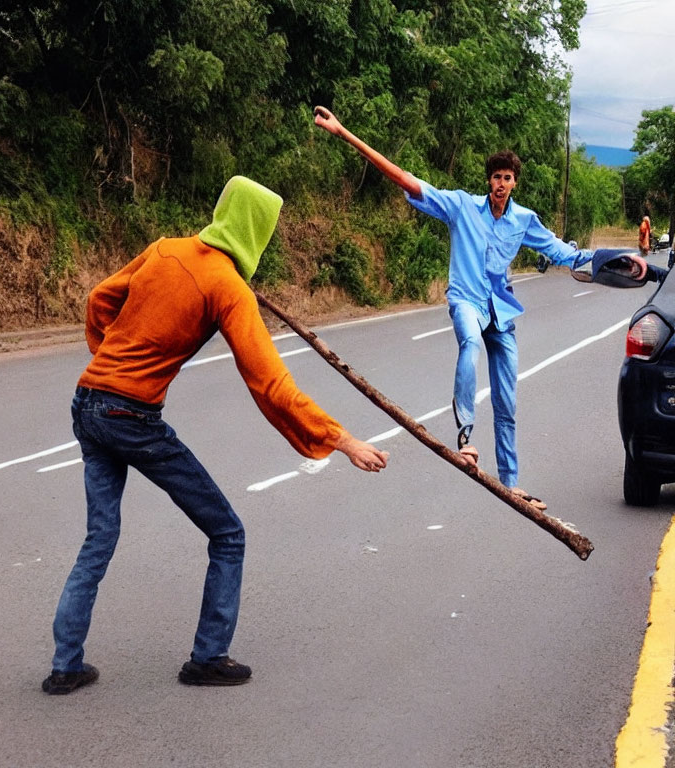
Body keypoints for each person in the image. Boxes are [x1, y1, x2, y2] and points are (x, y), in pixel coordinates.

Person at [41, 175, 389, 695]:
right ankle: (207, 657)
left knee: (99, 538)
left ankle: (65, 667)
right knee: (228, 534)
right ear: (256, 231)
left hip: (89, 402)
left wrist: (111, 361)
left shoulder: (165, 250)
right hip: (131, 419)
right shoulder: (229, 287)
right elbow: (271, 384)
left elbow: (98, 300)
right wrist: (343, 441)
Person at [313, 106, 591, 509]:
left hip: (501, 312)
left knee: (507, 399)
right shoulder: (462, 206)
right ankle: (465, 438)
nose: (500, 183)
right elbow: (407, 179)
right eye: (495, 177)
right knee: (469, 344)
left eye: (507, 178)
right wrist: (343, 133)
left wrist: (613, 262)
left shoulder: (524, 219)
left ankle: (511, 482)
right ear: (489, 180)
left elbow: (563, 253)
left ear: (515, 183)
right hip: (466, 301)